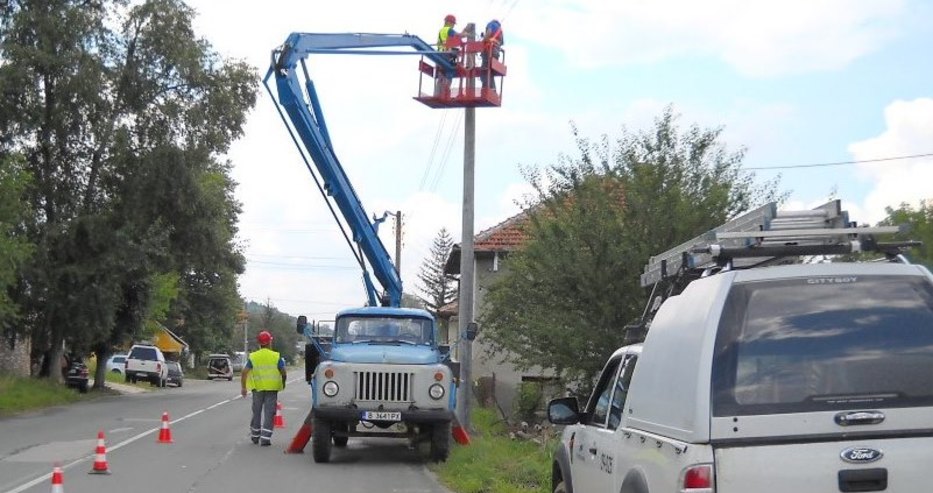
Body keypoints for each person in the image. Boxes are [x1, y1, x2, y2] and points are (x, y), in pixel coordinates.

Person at [241, 330, 287, 446]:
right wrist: (283, 382)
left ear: (259, 343)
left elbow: (244, 372)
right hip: (272, 389)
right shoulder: (276, 356)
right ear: (269, 342)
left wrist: (243, 388)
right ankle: (265, 438)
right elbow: (283, 372)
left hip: (257, 389)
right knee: (269, 413)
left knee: (256, 412)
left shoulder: (254, 357)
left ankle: (255, 436)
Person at [435, 14, 459, 97]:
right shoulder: (449, 30)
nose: (453, 25)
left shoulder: (441, 30)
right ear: (449, 22)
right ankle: (445, 93)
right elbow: (458, 36)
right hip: (446, 55)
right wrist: (467, 34)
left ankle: (437, 94)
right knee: (449, 72)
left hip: (439, 55)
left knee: (441, 75)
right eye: (453, 23)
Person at [481, 19, 504, 91]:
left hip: (488, 51)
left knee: (484, 71)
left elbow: (489, 32)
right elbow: (502, 42)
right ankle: (492, 89)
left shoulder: (491, 24)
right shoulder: (500, 29)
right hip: (496, 53)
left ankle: (486, 89)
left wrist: (482, 41)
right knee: (490, 73)